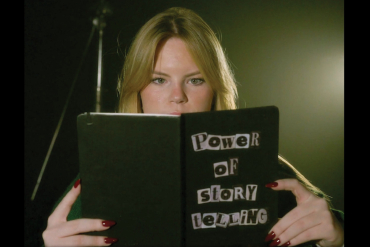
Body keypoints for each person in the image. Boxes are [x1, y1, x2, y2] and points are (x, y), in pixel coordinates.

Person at [42, 7, 344, 247]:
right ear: (138, 90)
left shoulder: (265, 170)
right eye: (159, 79)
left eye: (195, 80)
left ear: (215, 88)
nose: (178, 96)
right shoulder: (99, 179)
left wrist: (336, 238)